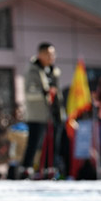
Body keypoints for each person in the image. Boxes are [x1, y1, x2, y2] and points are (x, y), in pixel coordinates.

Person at [20, 42, 65, 178]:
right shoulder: (32, 70)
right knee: (34, 142)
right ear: (41, 54)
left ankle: (48, 168)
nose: (52, 57)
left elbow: (57, 92)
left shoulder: (54, 71)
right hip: (37, 114)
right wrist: (45, 93)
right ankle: (26, 169)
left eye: (53, 54)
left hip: (53, 113)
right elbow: (29, 92)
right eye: (49, 54)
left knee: (53, 142)